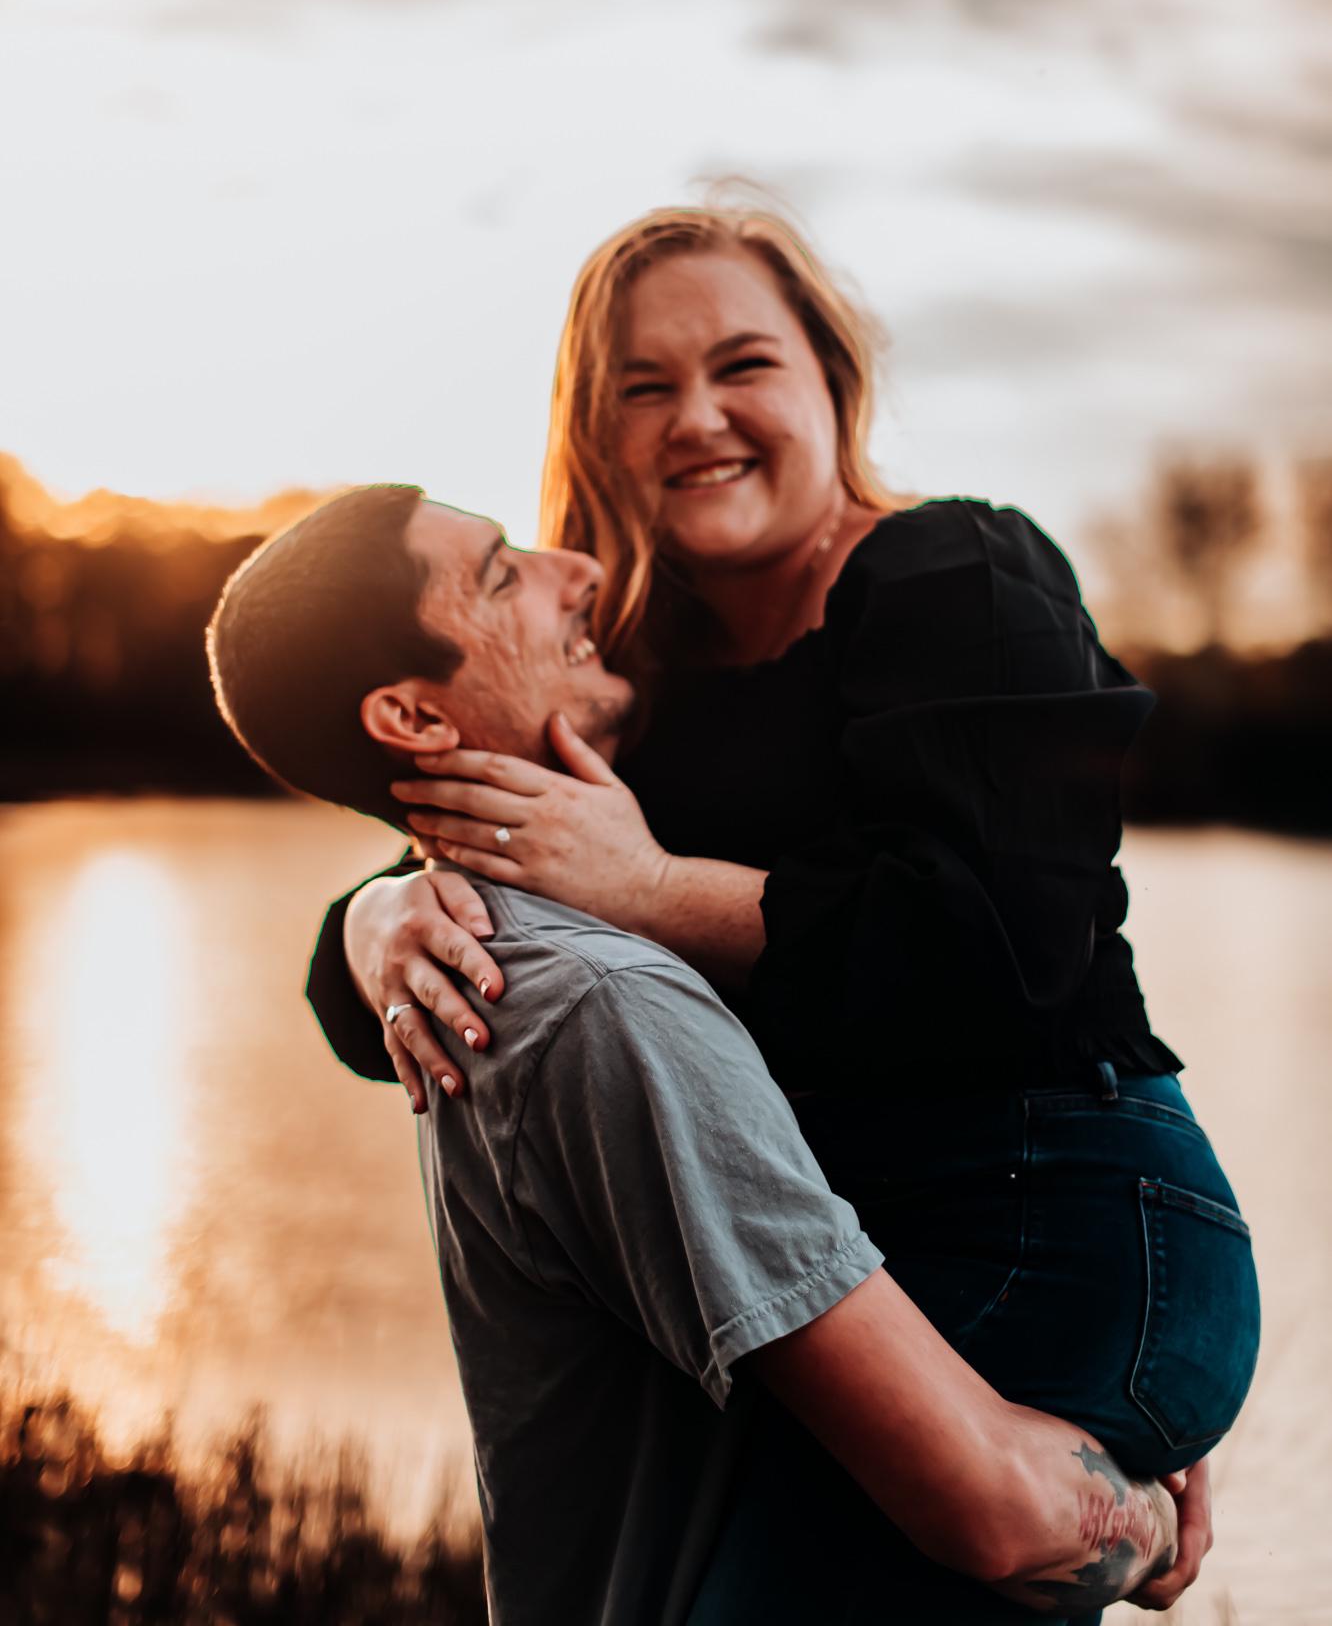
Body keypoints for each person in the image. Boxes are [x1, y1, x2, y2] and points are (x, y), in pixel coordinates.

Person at [304, 205, 1259, 1612]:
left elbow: (1003, 951)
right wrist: (372, 924)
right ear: (597, 430)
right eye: (645, 386)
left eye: (743, 364)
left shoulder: (958, 576)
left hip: (1052, 1206)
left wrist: (651, 890)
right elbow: (470, 923)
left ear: (831, 380)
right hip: (839, 1268)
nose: (698, 417)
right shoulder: (628, 673)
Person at [206, 484, 1194, 1626]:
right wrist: (1146, 1512)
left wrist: (1128, 1349)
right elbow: (999, 1508)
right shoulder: (581, 993)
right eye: (502, 570)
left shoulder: (530, 962)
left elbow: (1011, 944)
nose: (576, 570)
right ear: (412, 718)